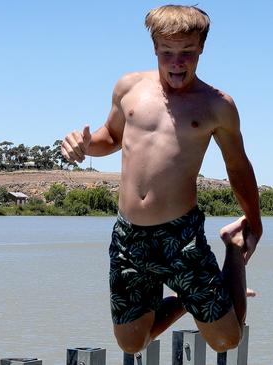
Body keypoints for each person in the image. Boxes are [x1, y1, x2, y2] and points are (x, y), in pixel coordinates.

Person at [61, 5, 262, 353]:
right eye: (167, 52)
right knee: (132, 344)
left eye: (187, 52)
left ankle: (232, 247)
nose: (177, 62)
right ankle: (187, 299)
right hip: (129, 236)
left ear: (201, 49)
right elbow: (110, 135)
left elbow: (238, 166)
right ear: (155, 47)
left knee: (226, 340)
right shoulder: (129, 87)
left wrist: (254, 223)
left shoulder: (217, 106)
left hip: (179, 236)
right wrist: (83, 146)